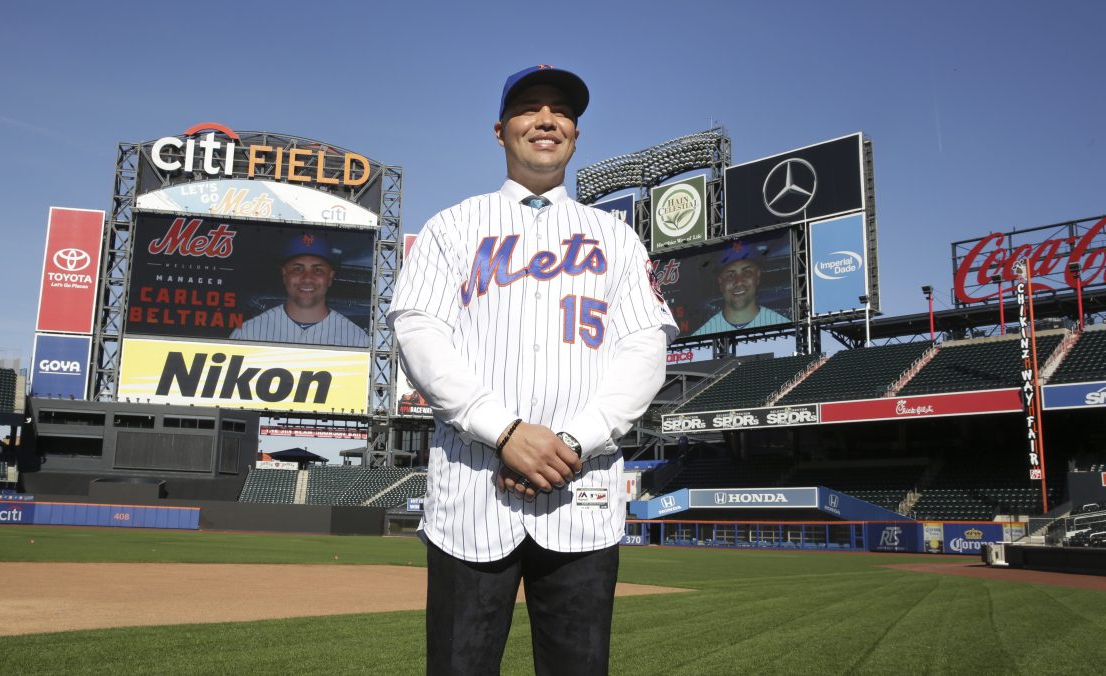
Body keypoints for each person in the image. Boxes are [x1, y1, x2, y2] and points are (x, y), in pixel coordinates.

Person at [389, 65, 677, 675]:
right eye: (529, 107)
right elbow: (420, 335)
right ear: (501, 131)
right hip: (473, 492)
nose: (546, 119)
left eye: (561, 111)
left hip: (583, 495)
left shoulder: (618, 237)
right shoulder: (451, 228)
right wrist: (504, 430)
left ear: (575, 134)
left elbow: (646, 347)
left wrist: (571, 441)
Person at [229, 233, 369, 348]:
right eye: (297, 269)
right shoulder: (248, 333)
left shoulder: (357, 339)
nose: (307, 278)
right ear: (284, 275)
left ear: (330, 277)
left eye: (318, 270)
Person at [693, 239, 790, 334]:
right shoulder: (701, 335)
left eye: (747, 273)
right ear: (720, 281)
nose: (739, 282)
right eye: (730, 275)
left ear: (757, 276)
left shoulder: (787, 330)